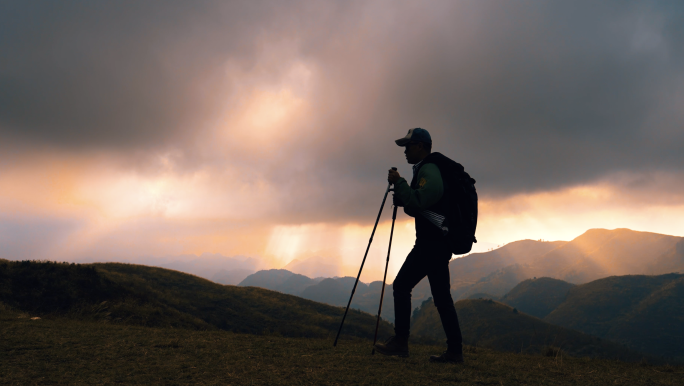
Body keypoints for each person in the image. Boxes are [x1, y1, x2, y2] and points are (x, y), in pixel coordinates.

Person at [373, 127, 464, 363]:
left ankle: (400, 342)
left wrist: (401, 184)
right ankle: (455, 351)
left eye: (408, 146)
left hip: (430, 244)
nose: (405, 151)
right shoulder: (427, 169)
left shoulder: (429, 169)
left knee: (401, 285)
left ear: (421, 146)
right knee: (442, 298)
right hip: (438, 243)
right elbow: (419, 207)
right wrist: (405, 195)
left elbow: (422, 199)